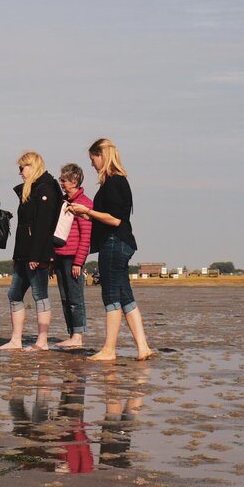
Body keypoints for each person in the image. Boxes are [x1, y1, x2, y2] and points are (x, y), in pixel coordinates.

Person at [67, 138, 153, 360]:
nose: (92, 164)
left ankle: (109, 349)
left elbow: (115, 220)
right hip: (120, 242)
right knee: (125, 296)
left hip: (114, 242)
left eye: (93, 159)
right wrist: (85, 213)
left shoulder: (114, 182)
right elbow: (111, 217)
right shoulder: (117, 182)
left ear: (102, 156)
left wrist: (87, 210)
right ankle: (143, 347)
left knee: (111, 295)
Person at [0, 151, 62, 350]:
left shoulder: (46, 189)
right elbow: (23, 227)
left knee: (39, 294)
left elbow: (44, 226)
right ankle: (15, 339)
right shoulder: (30, 189)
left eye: (22, 168)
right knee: (14, 294)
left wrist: (36, 255)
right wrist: (18, 256)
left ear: (32, 166)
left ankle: (42, 341)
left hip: (38, 254)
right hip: (24, 253)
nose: (20, 172)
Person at [53, 163, 93, 349]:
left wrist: (79, 261)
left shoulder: (84, 204)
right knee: (65, 298)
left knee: (75, 298)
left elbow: (86, 236)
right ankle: (71, 334)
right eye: (61, 180)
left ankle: (78, 336)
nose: (61, 183)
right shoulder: (63, 202)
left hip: (73, 259)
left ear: (74, 181)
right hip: (60, 256)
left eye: (64, 180)